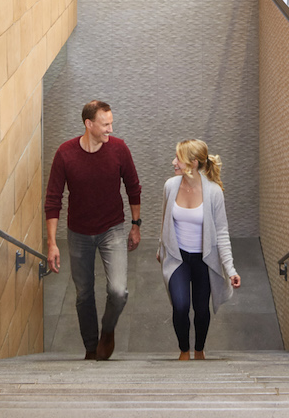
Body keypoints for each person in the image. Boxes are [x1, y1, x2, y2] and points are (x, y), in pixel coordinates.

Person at [45, 99, 142, 360]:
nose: (111, 129)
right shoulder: (65, 154)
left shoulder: (119, 149)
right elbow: (53, 199)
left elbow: (133, 186)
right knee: (83, 294)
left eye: (111, 123)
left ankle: (107, 330)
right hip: (78, 234)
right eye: (105, 124)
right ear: (89, 124)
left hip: (112, 229)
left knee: (118, 292)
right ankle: (91, 348)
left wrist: (135, 225)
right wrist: (53, 243)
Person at [157, 139, 240, 360]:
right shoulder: (170, 186)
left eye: (178, 158)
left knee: (201, 310)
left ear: (193, 163)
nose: (174, 162)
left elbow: (222, 232)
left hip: (205, 260)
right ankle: (184, 350)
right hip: (177, 258)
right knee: (181, 305)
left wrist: (230, 270)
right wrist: (161, 248)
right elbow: (165, 221)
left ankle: (199, 349)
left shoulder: (213, 192)